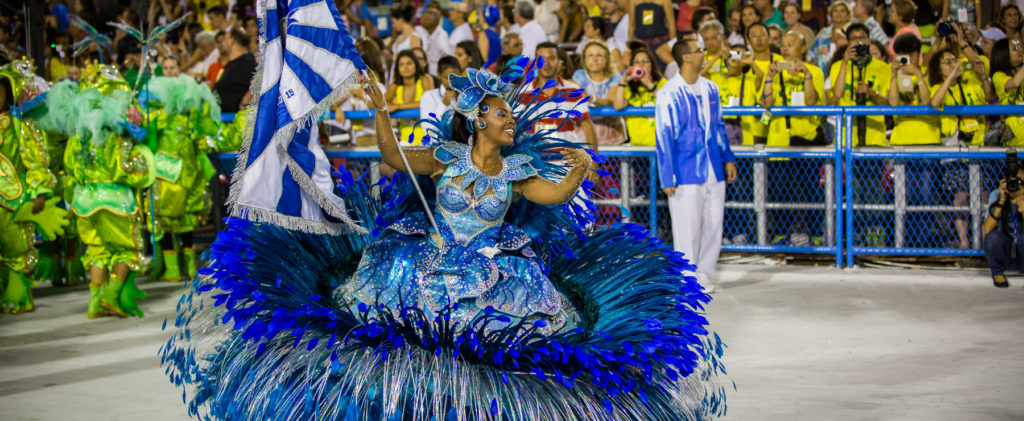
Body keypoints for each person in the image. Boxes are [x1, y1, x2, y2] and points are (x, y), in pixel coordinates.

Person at [161, 62, 727, 420]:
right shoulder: (446, 158)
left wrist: (577, 174)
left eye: (510, 116)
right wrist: (382, 112)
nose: (511, 123)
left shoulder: (514, 170)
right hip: (432, 254)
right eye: (502, 115)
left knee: (512, 328)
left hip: (495, 264)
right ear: (478, 121)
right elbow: (391, 158)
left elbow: (549, 197)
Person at [50, 65, 153, 318]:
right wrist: (143, 163)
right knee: (128, 249)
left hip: (84, 202)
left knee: (97, 251)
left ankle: (94, 304)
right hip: (114, 201)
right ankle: (110, 296)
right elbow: (123, 169)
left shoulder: (78, 136)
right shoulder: (113, 136)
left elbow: (69, 166)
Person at [656, 38, 738, 293]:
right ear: (686, 57)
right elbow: (663, 135)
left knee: (714, 223)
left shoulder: (711, 88)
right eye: (699, 51)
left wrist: (729, 158)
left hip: (713, 167)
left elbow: (719, 127)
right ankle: (687, 274)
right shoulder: (668, 92)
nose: (704, 54)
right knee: (686, 225)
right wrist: (667, 175)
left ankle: (703, 272)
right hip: (683, 170)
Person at [0, 60, 66, 314]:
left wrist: (38, 192)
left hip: (15, 201)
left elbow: (37, 162)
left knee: (18, 248)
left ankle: (19, 297)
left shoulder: (21, 127)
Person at [143, 74, 221, 283]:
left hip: (176, 176)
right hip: (179, 176)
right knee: (177, 222)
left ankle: (179, 269)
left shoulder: (172, 116)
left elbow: (150, 143)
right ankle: (182, 268)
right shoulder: (176, 116)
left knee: (172, 220)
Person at [929, 48, 989, 250]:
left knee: (983, 196)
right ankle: (965, 242)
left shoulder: (971, 83)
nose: (953, 64)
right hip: (955, 153)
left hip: (979, 147)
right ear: (939, 69)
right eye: (946, 62)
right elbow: (935, 102)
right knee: (961, 196)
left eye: (954, 60)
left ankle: (982, 240)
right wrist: (951, 78)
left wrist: (983, 77)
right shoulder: (939, 86)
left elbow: (988, 96)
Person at [520, 42, 599, 154]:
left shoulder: (573, 90)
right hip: (535, 166)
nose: (546, 63)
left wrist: (594, 166)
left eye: (552, 58)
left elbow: (588, 128)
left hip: (568, 165)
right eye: (542, 59)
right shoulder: (523, 92)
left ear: (559, 62)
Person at [826, 23, 891, 147]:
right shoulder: (837, 66)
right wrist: (845, 62)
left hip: (874, 137)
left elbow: (888, 103)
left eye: (862, 37)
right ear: (848, 42)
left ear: (869, 41)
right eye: (854, 39)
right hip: (846, 138)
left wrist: (871, 93)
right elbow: (838, 94)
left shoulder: (883, 68)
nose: (859, 42)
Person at [888, 34, 939, 147]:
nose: (908, 59)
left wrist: (918, 75)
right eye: (903, 55)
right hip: (901, 138)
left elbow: (927, 101)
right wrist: (893, 75)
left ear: (919, 54)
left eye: (912, 55)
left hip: (928, 136)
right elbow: (893, 103)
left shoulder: (929, 73)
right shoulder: (892, 73)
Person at [573, 40, 625, 145]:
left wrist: (592, 99)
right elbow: (576, 97)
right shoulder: (580, 75)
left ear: (606, 59)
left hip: (609, 130)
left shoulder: (615, 78)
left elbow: (611, 102)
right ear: (584, 60)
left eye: (599, 55)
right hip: (584, 131)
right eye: (590, 55)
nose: (595, 59)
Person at [614, 44, 665, 146]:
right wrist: (623, 81)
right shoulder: (628, 87)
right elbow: (618, 105)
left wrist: (648, 84)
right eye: (637, 62)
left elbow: (667, 102)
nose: (641, 64)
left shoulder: (662, 83)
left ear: (652, 64)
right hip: (638, 147)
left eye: (645, 61)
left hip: (660, 144)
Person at [983, 162, 1024, 288]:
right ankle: (997, 272)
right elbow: (987, 229)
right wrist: (1001, 201)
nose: (1017, 186)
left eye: (1021, 182)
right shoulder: (996, 194)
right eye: (1014, 182)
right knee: (992, 238)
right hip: (1006, 254)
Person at [386, 49, 434, 145]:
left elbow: (428, 102)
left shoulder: (426, 79)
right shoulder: (395, 84)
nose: (405, 67)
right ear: (397, 68)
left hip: (428, 139)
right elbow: (383, 103)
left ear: (416, 65)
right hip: (405, 141)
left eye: (409, 63)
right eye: (401, 64)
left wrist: (397, 107)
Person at [745, 22, 781, 144]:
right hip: (750, 126)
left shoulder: (779, 61)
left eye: (762, 35)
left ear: (769, 37)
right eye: (754, 36)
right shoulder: (745, 63)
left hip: (776, 124)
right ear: (748, 40)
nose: (759, 39)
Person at [213, 28, 255, 113]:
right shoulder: (231, 64)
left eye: (225, 39)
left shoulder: (246, 61)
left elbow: (259, 79)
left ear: (232, 41)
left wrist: (244, 102)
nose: (222, 44)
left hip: (236, 119)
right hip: (224, 118)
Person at [991, 38, 1024, 146]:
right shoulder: (998, 76)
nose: (1020, 50)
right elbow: (1015, 83)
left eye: (1020, 46)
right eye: (1015, 48)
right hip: (1016, 142)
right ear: (1003, 54)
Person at [627, 0, 675, 67]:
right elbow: (631, 26)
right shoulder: (633, 1)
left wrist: (672, 47)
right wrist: (629, 49)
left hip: (660, 44)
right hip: (641, 46)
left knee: (661, 70)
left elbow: (671, 24)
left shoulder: (665, 1)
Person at [810, 1, 852, 72]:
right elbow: (811, 55)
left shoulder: (852, 32)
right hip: (823, 74)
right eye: (835, 11)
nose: (838, 14)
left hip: (845, 72)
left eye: (842, 11)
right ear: (831, 14)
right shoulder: (823, 32)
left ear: (848, 15)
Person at [420, 8, 451, 75]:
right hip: (429, 73)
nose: (422, 21)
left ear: (434, 21)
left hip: (437, 74)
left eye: (426, 19)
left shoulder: (441, 36)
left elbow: (447, 55)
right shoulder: (427, 33)